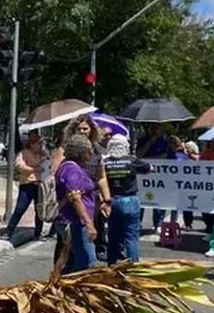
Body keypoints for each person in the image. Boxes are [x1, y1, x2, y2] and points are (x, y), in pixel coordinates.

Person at [64, 115, 111, 258]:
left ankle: (98, 250)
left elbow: (101, 177)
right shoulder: (68, 149)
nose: (82, 131)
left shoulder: (97, 151)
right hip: (73, 199)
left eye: (85, 128)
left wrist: (106, 200)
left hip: (93, 198)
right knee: (67, 243)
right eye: (79, 129)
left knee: (91, 231)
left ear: (92, 130)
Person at [103, 135, 153, 264]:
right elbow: (149, 168)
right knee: (131, 237)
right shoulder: (131, 160)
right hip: (129, 200)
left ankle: (111, 265)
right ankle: (133, 266)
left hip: (112, 200)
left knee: (113, 236)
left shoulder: (105, 162)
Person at [53, 135, 99, 272]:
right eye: (89, 151)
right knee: (87, 261)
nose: (91, 154)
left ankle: (61, 288)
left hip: (74, 221)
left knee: (72, 261)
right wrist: (89, 224)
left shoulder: (72, 167)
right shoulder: (71, 169)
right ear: (81, 153)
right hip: (75, 222)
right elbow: (75, 197)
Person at [4, 131, 46, 240]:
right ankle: (9, 231)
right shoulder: (23, 153)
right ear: (32, 144)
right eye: (38, 143)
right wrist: (34, 169)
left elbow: (46, 165)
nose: (40, 145)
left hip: (39, 184)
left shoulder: (42, 154)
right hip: (27, 184)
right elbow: (19, 166)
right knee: (20, 208)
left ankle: (38, 232)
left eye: (41, 143)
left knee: (40, 210)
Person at [136, 123, 168, 233]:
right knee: (141, 199)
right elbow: (139, 155)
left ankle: (158, 224)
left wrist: (149, 158)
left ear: (159, 129)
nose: (154, 130)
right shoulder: (142, 140)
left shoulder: (163, 142)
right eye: (152, 128)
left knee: (158, 199)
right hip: (143, 175)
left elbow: (163, 157)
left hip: (159, 176)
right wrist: (149, 143)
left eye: (156, 128)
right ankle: (138, 223)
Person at [166, 136, 194, 229]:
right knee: (174, 203)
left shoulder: (183, 153)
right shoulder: (169, 154)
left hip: (184, 180)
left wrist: (185, 150)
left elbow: (191, 161)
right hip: (172, 181)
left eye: (173, 143)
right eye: (170, 143)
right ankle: (173, 221)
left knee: (186, 202)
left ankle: (188, 223)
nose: (172, 145)